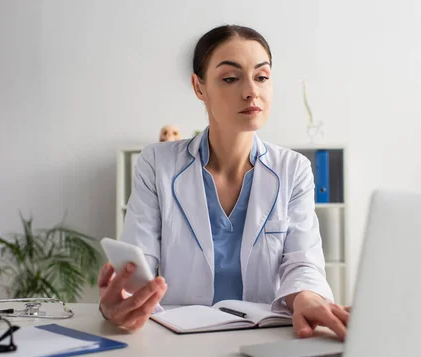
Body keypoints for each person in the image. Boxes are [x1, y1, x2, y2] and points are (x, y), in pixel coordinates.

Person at [98, 25, 350, 340]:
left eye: (261, 77)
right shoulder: (157, 163)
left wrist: (306, 295)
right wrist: (121, 301)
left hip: (264, 339)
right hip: (177, 341)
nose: (251, 91)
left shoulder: (294, 169)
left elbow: (303, 262)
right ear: (199, 87)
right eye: (231, 78)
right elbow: (138, 264)